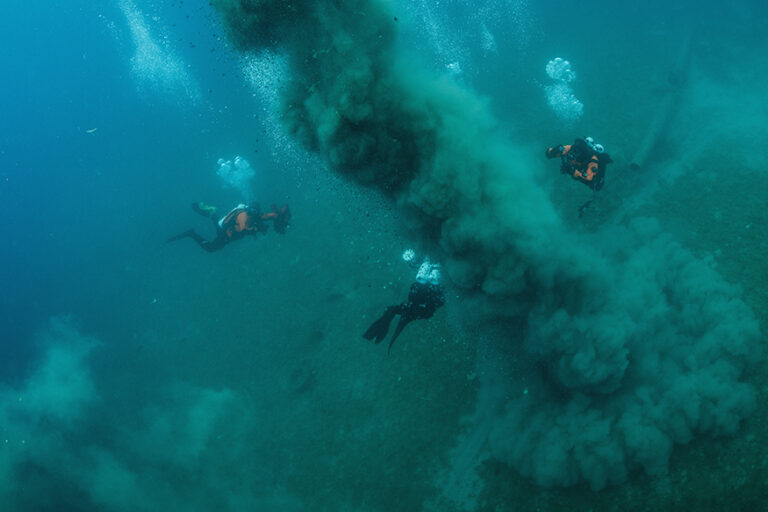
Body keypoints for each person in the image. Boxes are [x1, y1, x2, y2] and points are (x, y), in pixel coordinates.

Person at [363, 253, 446, 354]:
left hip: (422, 297)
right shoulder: (429, 298)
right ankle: (376, 336)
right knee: (407, 308)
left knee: (404, 308)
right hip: (425, 298)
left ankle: (375, 336)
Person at [167, 202, 291, 252]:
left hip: (225, 224)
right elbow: (243, 228)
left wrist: (279, 216)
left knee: (216, 219)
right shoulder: (244, 216)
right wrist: (256, 229)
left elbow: (268, 215)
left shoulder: (255, 215)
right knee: (210, 248)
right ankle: (191, 233)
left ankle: (212, 212)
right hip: (224, 233)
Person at [546, 136, 612, 191]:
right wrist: (553, 151)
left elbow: (589, 179)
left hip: (588, 176)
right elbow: (550, 154)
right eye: (577, 149)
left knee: (593, 185)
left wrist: (573, 171)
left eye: (580, 152)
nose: (575, 153)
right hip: (577, 169)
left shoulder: (593, 159)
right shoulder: (572, 148)